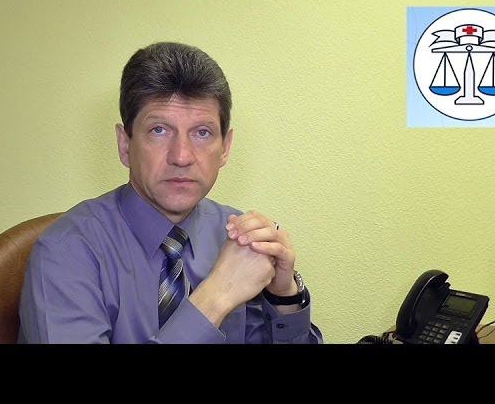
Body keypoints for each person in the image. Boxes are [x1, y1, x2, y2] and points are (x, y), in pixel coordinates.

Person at [18, 42, 323, 343]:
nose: (182, 156)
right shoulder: (64, 252)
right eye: (159, 130)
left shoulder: (237, 236)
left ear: (225, 149)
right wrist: (216, 296)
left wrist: (283, 295)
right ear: (125, 145)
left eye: (202, 133)